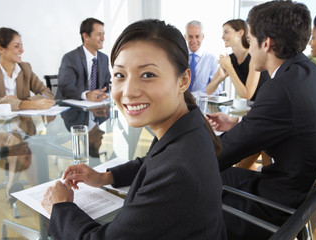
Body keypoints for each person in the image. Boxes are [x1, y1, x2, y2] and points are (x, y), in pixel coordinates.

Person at [42, 19, 226, 240]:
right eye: (120, 75)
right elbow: (151, 162)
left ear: (183, 80)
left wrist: (60, 208)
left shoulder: (178, 170)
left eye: (147, 75)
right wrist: (104, 177)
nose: (128, 92)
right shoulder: (187, 127)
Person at [206, 1, 316, 239]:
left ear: (267, 43)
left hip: (280, 205)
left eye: (250, 40)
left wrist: (182, 154)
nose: (249, 49)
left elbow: (225, 151)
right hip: (312, 196)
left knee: (197, 184)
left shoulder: (280, 87)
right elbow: (287, 127)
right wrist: (237, 125)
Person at [0, 27, 55, 111]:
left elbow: (47, 94)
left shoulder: (25, 68)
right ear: (0, 49)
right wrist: (24, 104)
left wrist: (24, 103)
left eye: (21, 46)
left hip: (22, 122)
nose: (22, 50)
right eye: (16, 46)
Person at [206, 19, 270, 101]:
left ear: (240, 33)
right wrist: (220, 78)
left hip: (265, 105)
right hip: (250, 107)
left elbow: (246, 96)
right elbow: (209, 90)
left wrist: (229, 68)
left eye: (226, 32)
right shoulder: (230, 59)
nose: (222, 37)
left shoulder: (253, 57)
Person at [55, 18, 111, 102]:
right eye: (99, 34)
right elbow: (65, 88)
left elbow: (107, 84)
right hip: (72, 109)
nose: (103, 38)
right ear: (85, 36)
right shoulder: (70, 58)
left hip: (96, 107)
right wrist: (86, 95)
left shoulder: (104, 58)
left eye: (103, 34)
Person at [184, 20, 222, 95]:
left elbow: (218, 89)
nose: (194, 40)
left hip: (202, 102)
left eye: (197, 36)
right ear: (185, 37)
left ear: (202, 37)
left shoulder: (211, 58)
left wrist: (195, 96)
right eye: (190, 37)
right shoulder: (179, 56)